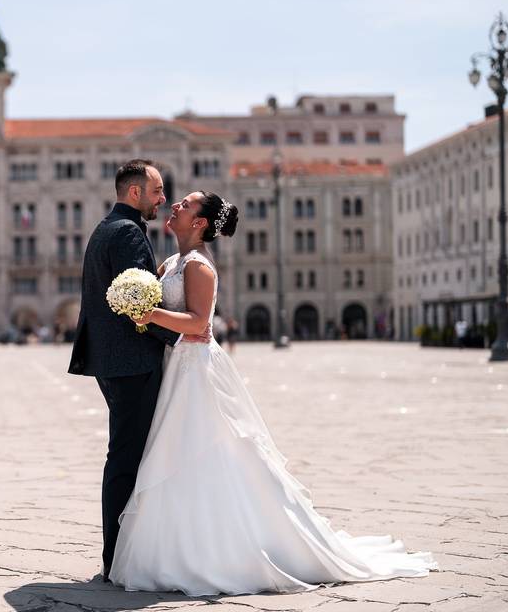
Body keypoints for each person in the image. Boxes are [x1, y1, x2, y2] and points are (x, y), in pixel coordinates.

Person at [110, 190, 437, 595]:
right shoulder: (172, 262)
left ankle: (224, 549)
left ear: (199, 223)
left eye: (187, 205)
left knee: (205, 449)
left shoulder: (199, 267)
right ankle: (176, 547)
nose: (176, 205)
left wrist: (147, 312)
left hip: (196, 372)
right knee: (174, 451)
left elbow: (197, 323)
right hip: (175, 367)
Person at [67, 159, 210, 581]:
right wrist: (181, 339)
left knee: (128, 455)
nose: (163, 198)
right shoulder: (129, 233)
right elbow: (138, 307)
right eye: (157, 191)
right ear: (135, 193)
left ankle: (126, 551)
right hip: (132, 362)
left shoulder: (105, 228)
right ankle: (119, 557)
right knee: (127, 458)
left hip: (112, 361)